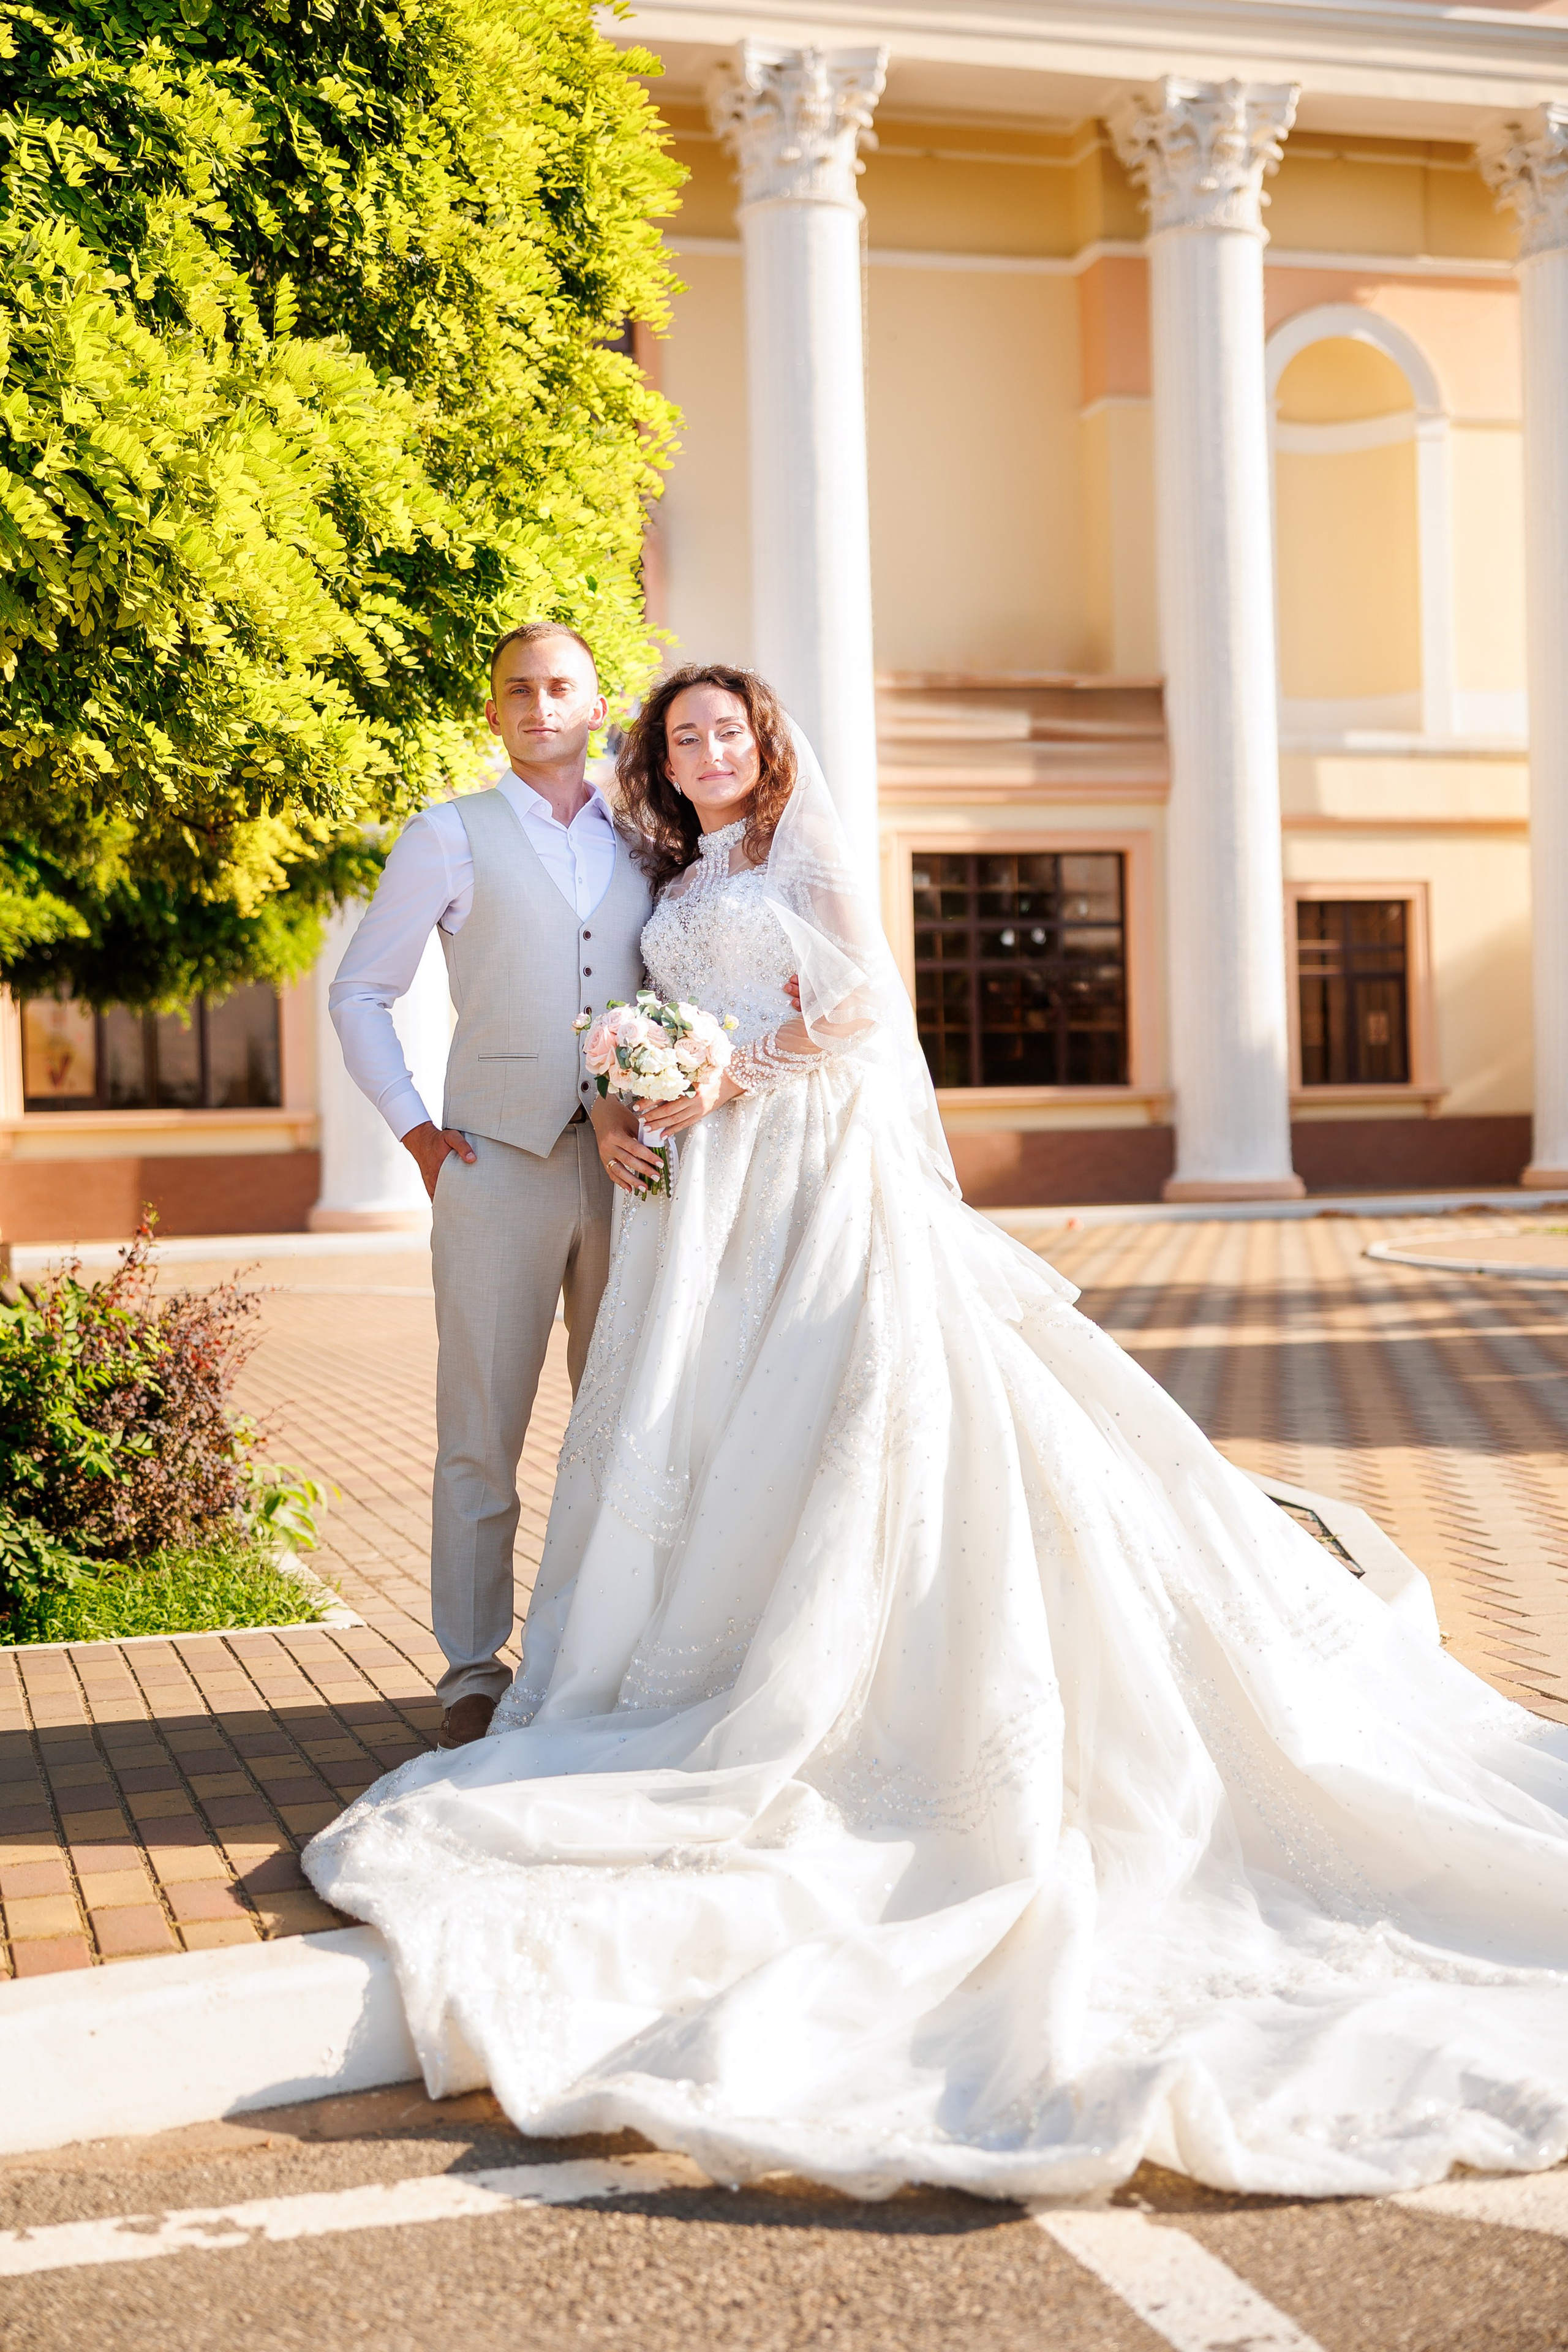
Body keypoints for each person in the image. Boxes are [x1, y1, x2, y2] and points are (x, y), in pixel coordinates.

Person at [309, 665, 1568, 2203]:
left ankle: (809, 1671)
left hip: (796, 1163)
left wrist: (724, 1074)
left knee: (839, 1409)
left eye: (725, 730)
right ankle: (495, 1663)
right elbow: (486, 996)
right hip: (661, 1179)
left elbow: (856, 1005)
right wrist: (593, 1095)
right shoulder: (635, 856)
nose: (700, 749)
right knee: (614, 1430)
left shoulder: (792, 853)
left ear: (765, 746)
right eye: (680, 732)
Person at [330, 624, 652, 1749]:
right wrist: (415, 1135)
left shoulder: (650, 837)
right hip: (492, 1166)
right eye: (518, 690)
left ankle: (593, 1651)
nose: (540, 704)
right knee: (481, 1432)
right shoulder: (446, 836)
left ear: (597, 702)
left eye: (560, 686)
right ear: (493, 713)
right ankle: (472, 1668)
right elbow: (359, 991)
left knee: (620, 1428)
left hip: (636, 1176)